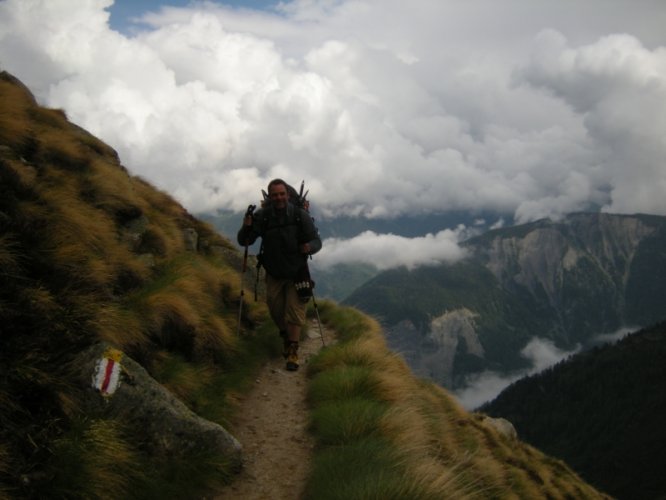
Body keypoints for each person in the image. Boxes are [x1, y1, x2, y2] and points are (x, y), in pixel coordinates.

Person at [237, 178, 322, 371]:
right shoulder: (263, 217)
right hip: (274, 271)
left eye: (282, 194)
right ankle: (285, 335)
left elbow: (316, 240)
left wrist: (309, 247)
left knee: (294, 311)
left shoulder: (300, 216)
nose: (279, 198)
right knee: (275, 309)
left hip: (297, 272)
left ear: (288, 195)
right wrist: (247, 226)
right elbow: (245, 240)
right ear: (270, 197)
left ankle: (292, 351)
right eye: (275, 195)